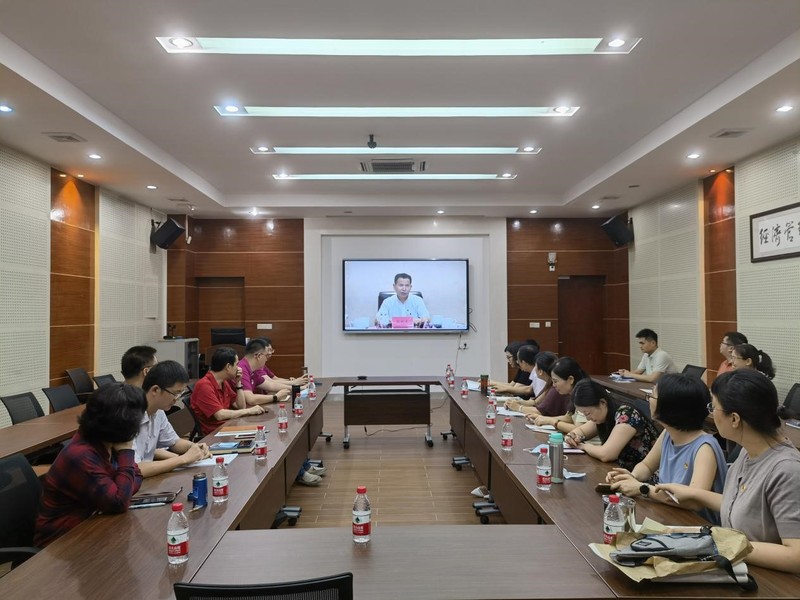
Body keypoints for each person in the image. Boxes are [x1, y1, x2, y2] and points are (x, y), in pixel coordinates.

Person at [657, 370, 800, 574]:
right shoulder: (748, 451)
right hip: (738, 568)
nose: (710, 413)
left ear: (734, 419)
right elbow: (743, 506)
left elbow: (795, 556)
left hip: (771, 582)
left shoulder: (787, 470)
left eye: (713, 407)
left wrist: (720, 542)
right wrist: (694, 493)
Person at [34, 383, 146, 547]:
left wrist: (122, 489)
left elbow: (136, 477)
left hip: (92, 528)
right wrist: (126, 452)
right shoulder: (81, 456)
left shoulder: (107, 442)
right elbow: (119, 501)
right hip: (59, 545)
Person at [606, 373, 727, 523]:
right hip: (670, 515)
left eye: (652, 396)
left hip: (695, 524)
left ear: (671, 407)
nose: (648, 400)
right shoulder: (668, 433)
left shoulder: (704, 448)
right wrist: (632, 477)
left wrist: (643, 489)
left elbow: (694, 502)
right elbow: (647, 466)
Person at [246, 338, 326, 485]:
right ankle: (300, 472)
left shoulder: (254, 370)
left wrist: (294, 385)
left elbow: (271, 384)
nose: (269, 357)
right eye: (267, 354)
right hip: (250, 416)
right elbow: (251, 398)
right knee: (283, 434)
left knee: (291, 431)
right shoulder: (245, 369)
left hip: (259, 410)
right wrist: (280, 394)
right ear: (258, 355)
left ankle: (304, 466)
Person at [134, 361, 211, 478]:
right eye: (175, 394)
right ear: (155, 390)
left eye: (180, 394)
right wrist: (184, 459)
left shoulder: (158, 412)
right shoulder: (130, 415)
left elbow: (174, 442)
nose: (176, 399)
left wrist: (194, 447)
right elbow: (136, 469)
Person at [564, 379, 659, 470]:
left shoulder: (626, 415)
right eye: (584, 414)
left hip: (643, 475)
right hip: (623, 471)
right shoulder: (603, 415)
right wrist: (572, 437)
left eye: (588, 413)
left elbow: (607, 454)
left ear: (602, 402)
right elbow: (580, 431)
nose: (588, 419)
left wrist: (583, 446)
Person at [190, 347, 266, 436]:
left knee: (262, 429)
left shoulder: (224, 382)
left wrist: (238, 383)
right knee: (259, 433)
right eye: (237, 364)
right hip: (215, 433)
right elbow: (220, 415)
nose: (239, 368)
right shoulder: (204, 386)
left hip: (229, 426)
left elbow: (241, 406)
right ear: (228, 367)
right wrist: (249, 411)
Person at [532, 357, 599, 444]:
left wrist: (552, 422)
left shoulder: (584, 394)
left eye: (555, 381)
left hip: (590, 445)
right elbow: (570, 418)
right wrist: (543, 419)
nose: (554, 385)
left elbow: (578, 430)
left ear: (570, 379)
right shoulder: (574, 393)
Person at [506, 351, 571, 418]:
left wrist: (518, 407)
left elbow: (540, 411)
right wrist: (516, 402)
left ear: (540, 371)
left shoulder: (556, 387)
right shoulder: (549, 382)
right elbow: (536, 402)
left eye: (535, 366)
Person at [238, 339, 291, 405]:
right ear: (259, 356)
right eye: (266, 356)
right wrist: (276, 397)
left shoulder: (252, 370)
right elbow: (251, 399)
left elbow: (271, 385)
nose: (266, 359)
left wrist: (296, 388)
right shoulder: (242, 369)